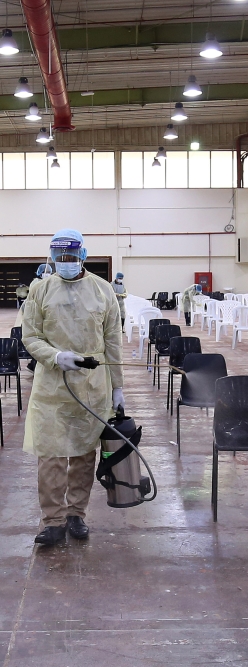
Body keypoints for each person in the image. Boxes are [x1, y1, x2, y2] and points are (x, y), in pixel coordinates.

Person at [21, 229, 125, 546]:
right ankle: (52, 521)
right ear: (52, 257)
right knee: (50, 455)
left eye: (70, 256)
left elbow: (112, 341)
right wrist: (56, 356)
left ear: (82, 255)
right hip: (51, 386)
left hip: (91, 386)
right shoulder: (40, 290)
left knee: (83, 453)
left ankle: (76, 514)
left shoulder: (103, 290)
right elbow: (31, 336)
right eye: (59, 257)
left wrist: (117, 387)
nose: (65, 262)